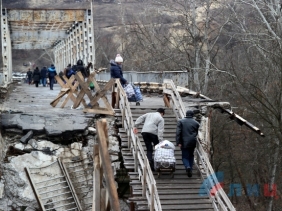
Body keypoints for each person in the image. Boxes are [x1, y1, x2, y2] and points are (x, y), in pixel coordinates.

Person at [176, 110, 200, 178]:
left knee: (185, 156)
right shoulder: (196, 123)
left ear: (186, 114)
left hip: (184, 141)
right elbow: (197, 132)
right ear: (192, 115)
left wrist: (178, 142)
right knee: (191, 155)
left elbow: (178, 133)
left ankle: (188, 167)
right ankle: (191, 168)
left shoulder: (181, 121)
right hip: (192, 141)